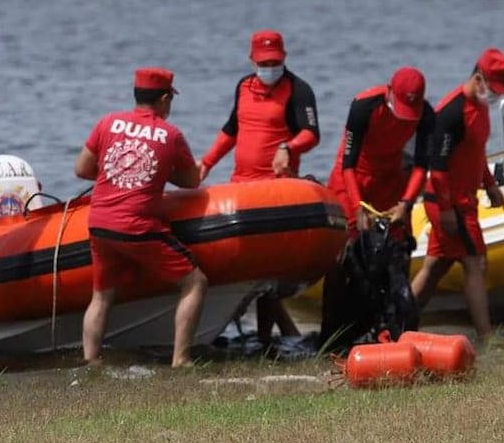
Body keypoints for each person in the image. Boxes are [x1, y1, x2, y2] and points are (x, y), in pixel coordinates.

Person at [74, 67, 207, 368]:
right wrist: (160, 173)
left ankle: (90, 361)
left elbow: (82, 169)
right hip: (138, 227)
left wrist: (118, 176)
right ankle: (181, 359)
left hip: (100, 223)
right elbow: (191, 181)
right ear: (164, 99)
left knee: (101, 296)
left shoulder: (108, 122)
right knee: (195, 282)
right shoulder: (170, 135)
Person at [198, 30, 320, 346]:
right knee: (246, 271)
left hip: (275, 192)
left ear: (284, 58)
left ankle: (266, 340)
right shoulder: (243, 86)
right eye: (264, 63)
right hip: (242, 187)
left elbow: (311, 134)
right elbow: (231, 130)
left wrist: (288, 147)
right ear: (252, 60)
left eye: (274, 62)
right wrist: (207, 163)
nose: (269, 68)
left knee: (268, 273)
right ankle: (270, 333)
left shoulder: (298, 90)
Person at [319, 66, 435, 347]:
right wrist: (358, 207)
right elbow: (348, 164)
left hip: (390, 179)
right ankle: (331, 336)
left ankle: (393, 330)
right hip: (353, 177)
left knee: (397, 249)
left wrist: (406, 203)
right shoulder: (364, 107)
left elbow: (421, 167)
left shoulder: (426, 115)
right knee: (344, 254)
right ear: (389, 91)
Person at [410, 48, 504, 341]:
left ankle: (398, 323)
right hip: (448, 202)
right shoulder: (451, 113)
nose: (495, 96)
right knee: (475, 262)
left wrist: (489, 184)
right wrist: (445, 210)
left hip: (466, 200)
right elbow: (438, 168)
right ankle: (486, 337)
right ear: (478, 79)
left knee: (436, 266)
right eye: (493, 89)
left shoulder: (480, 107)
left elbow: (476, 151)